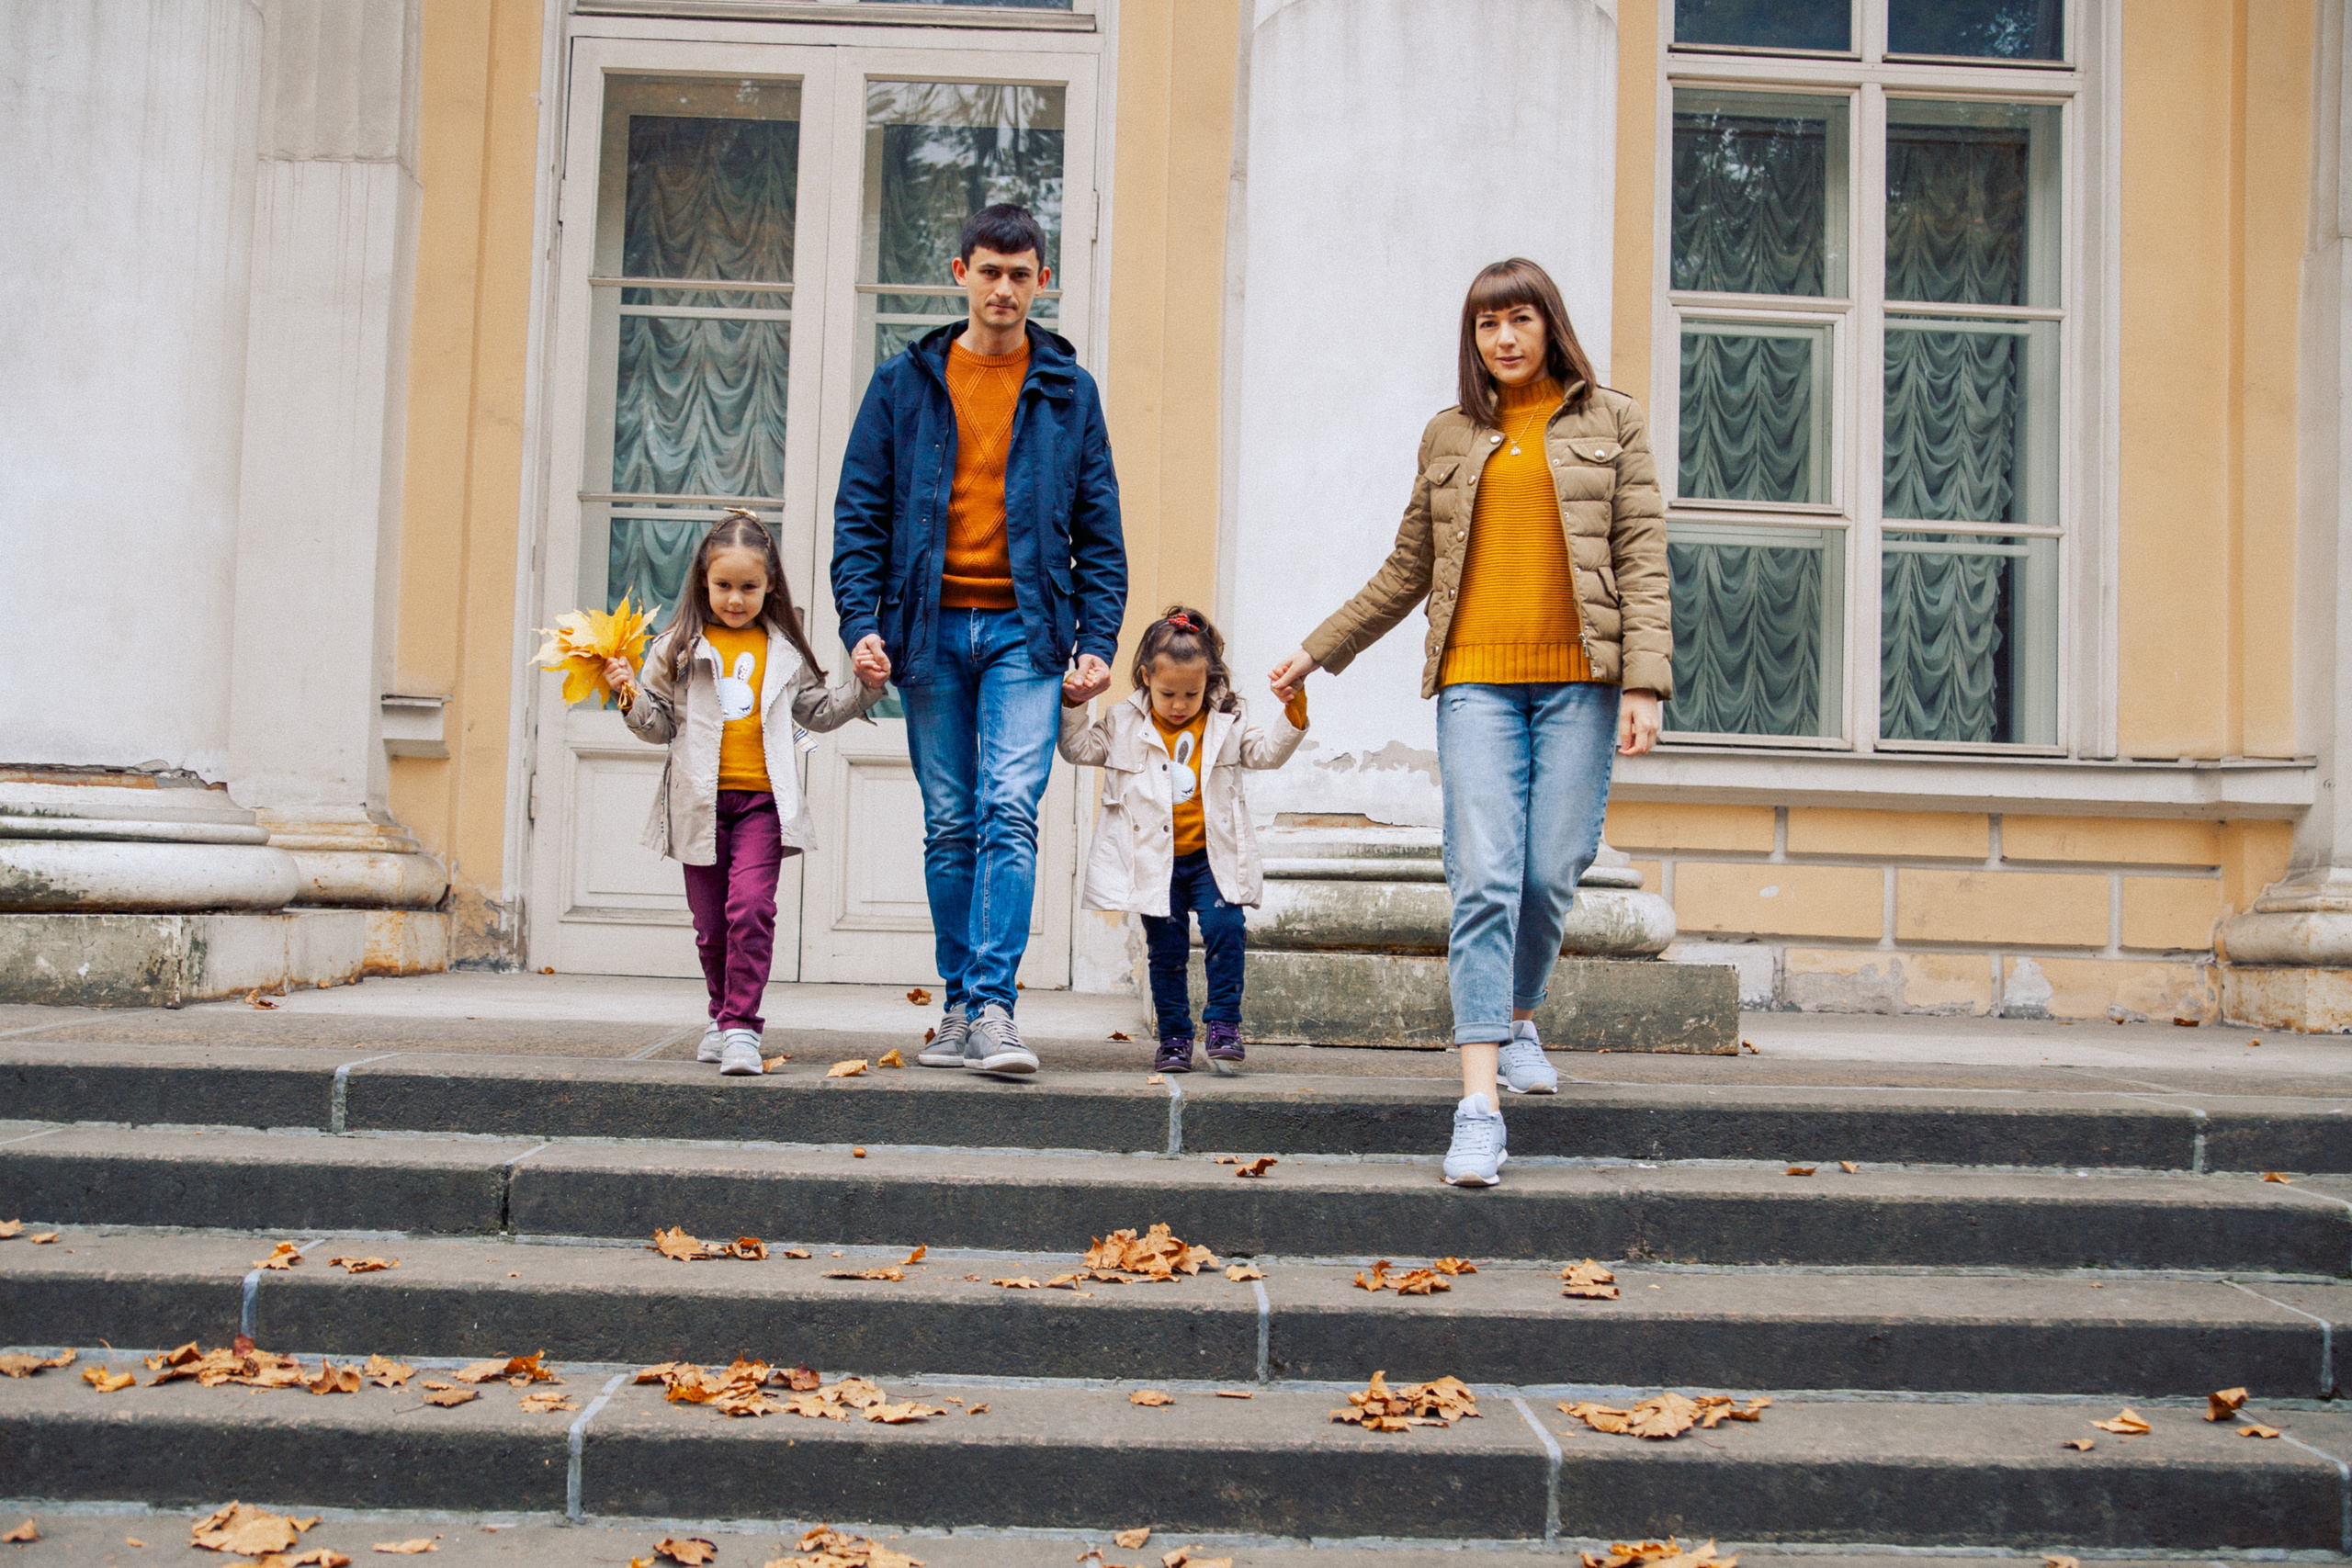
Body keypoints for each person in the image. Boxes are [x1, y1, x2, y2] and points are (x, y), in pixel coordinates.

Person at [1268, 257, 1669, 1186]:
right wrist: (1319, 649)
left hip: (1581, 683)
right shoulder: (1449, 435)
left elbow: (1642, 558)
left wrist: (1644, 684)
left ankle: (1519, 1013)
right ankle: (1479, 1104)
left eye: (1519, 319)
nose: (1504, 338)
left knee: (1549, 870)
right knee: (1484, 879)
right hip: (1475, 683)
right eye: (1488, 324)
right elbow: (1407, 568)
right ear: (1473, 339)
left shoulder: (1611, 421)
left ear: (1548, 325)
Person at [831, 203, 1126, 1078]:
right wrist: (860, 625)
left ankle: (995, 1007)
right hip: (926, 632)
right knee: (952, 820)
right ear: (960, 273)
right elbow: (860, 516)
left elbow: (1099, 528)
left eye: (1020, 274)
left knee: (1010, 808)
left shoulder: (1069, 391)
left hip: (1026, 634)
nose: (1004, 288)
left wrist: (1098, 637)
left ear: (1043, 281)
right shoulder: (903, 384)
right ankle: (959, 1004)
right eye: (989, 271)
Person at [606, 512, 887, 1077]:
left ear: (770, 585)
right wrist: (628, 695)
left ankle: (741, 1027)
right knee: (712, 925)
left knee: (752, 910)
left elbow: (817, 712)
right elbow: (659, 727)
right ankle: (721, 1014)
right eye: (724, 585)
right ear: (703, 582)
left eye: (749, 587)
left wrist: (865, 688)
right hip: (699, 805)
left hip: (762, 804)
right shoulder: (676, 648)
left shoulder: (784, 651)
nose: (735, 599)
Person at [1058, 607, 1307, 1075]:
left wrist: (1293, 709)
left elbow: (1267, 754)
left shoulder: (1227, 721)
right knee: (1166, 951)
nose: (1179, 705)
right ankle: (1174, 1037)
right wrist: (1074, 705)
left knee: (1226, 930)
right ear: (1146, 678)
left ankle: (1224, 1024)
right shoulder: (1122, 722)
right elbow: (1077, 749)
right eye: (1168, 693)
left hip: (1211, 859)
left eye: (1191, 694)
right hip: (1156, 864)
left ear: (1208, 682)